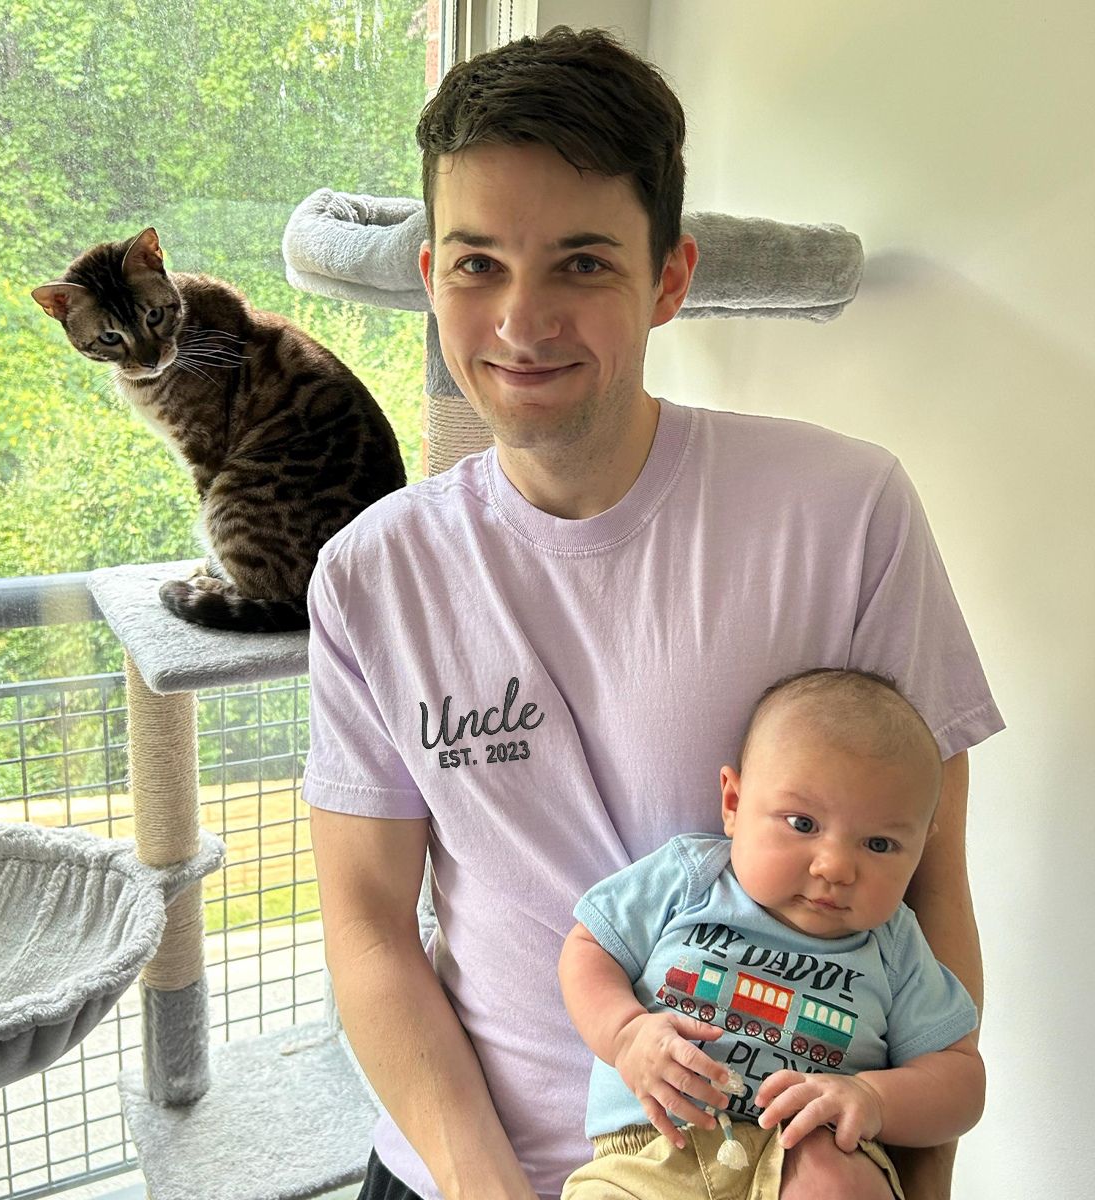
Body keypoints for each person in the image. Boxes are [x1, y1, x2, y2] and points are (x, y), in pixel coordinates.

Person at [303, 26, 1003, 1200]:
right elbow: (369, 928)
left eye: (581, 263)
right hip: (472, 1175)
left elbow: (931, 881)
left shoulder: (846, 510)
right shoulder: (371, 577)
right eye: (478, 264)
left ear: (669, 279)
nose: (522, 323)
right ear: (430, 276)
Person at [559, 669, 985, 1200]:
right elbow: (588, 948)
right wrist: (625, 1036)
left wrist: (873, 1099)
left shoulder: (895, 944)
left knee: (838, 1182)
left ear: (921, 847)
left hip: (812, 1145)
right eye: (802, 824)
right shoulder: (693, 878)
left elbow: (962, 1081)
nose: (835, 867)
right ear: (733, 803)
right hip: (653, 1150)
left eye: (878, 844)